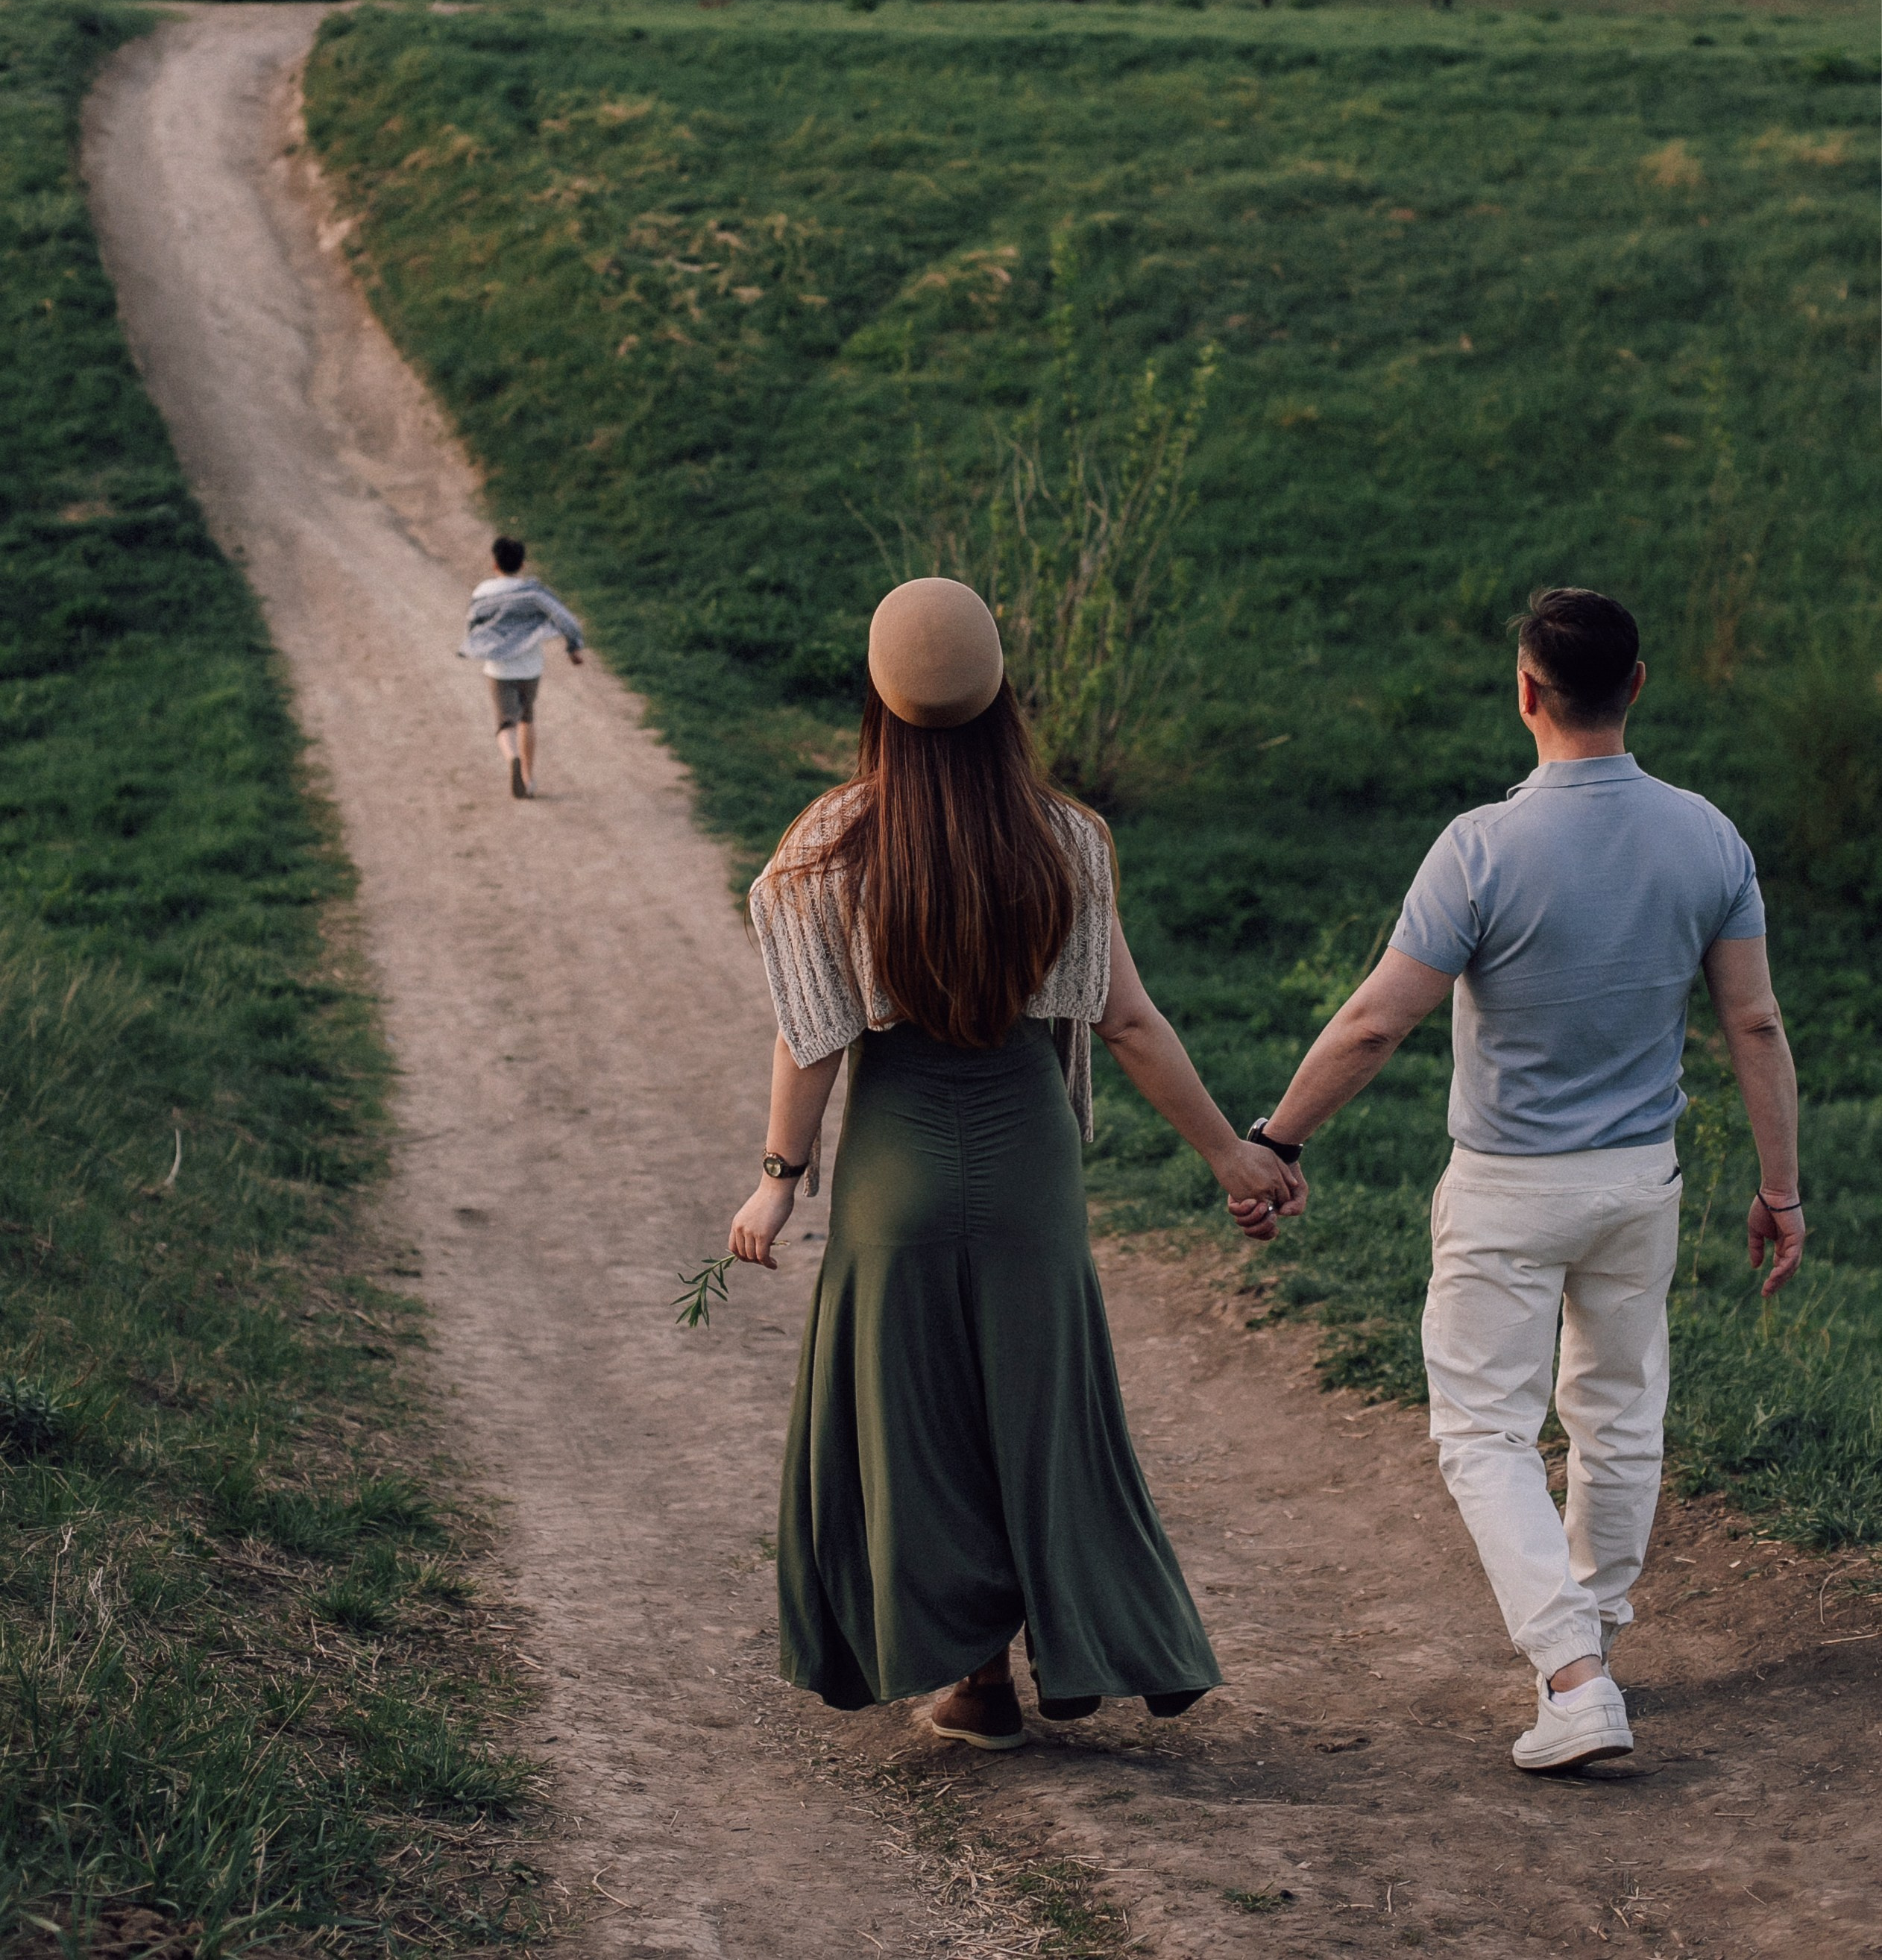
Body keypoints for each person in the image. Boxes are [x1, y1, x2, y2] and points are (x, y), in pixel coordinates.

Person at [1230, 586, 1802, 1774]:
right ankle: (1590, 1634)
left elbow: (1378, 1022)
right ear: (1637, 684)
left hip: (1506, 1188)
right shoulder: (1709, 836)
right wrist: (1782, 1190)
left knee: (1486, 1430)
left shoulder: (1481, 847)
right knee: (1618, 1412)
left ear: (1526, 691)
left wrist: (1279, 1140)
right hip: (1641, 1180)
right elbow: (1752, 1020)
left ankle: (1574, 1675)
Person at [728, 576, 1304, 1751]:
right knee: (1045, 1417)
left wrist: (780, 1175)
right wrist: (1230, 1155)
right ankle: (1101, 1643)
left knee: (921, 1427)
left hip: (896, 1171)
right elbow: (1128, 1022)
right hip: (1029, 1158)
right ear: (1003, 696)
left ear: (877, 704)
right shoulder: (1066, 839)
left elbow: (811, 1033)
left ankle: (977, 1679)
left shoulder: (824, 847)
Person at [458, 536, 585, 799]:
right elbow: (565, 619)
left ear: (495, 564)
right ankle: (527, 777)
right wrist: (573, 646)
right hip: (530, 668)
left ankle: (512, 758)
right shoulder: (534, 593)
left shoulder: (482, 593)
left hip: (498, 669)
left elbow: (473, 627)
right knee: (527, 718)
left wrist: (479, 645)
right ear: (523, 564)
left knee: (506, 723)